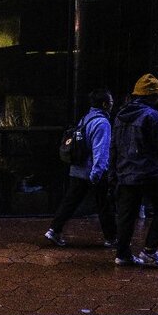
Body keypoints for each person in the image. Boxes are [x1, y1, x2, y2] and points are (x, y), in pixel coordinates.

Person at [45, 88, 116, 247]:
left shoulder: (86, 118)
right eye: (111, 102)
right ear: (105, 104)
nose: (112, 105)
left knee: (70, 202)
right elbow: (100, 150)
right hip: (92, 170)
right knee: (104, 205)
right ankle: (112, 238)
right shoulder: (102, 123)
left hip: (77, 169)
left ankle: (54, 230)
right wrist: (97, 174)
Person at [111, 73, 158, 267]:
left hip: (125, 172)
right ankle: (150, 251)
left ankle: (122, 254)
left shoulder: (120, 115)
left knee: (127, 215)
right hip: (149, 171)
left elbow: (114, 146)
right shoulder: (151, 115)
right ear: (152, 96)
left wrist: (114, 172)